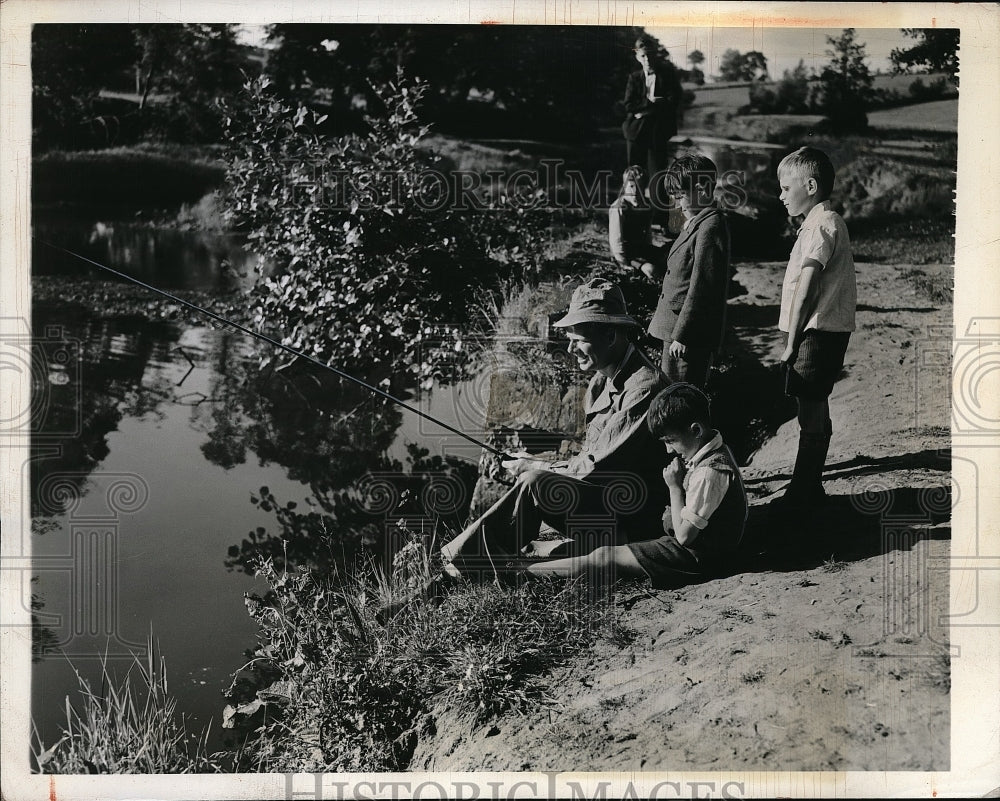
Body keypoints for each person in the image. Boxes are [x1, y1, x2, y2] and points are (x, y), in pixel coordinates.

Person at [438, 278, 670, 582]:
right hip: (608, 502)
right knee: (536, 483)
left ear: (611, 335)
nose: (571, 348)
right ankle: (464, 567)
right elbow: (593, 459)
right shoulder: (602, 379)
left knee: (535, 482)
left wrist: (535, 465)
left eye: (577, 338)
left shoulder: (644, 389)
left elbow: (594, 469)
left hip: (634, 522)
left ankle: (456, 573)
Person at [523, 383, 748, 589]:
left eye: (670, 441)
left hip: (699, 557)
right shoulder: (716, 449)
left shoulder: (709, 473)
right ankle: (538, 550)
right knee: (620, 537)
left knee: (605, 556)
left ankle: (522, 574)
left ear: (696, 430)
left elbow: (684, 537)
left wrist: (674, 487)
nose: (669, 450)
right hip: (698, 543)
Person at [775, 146, 857, 508]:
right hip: (820, 330)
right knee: (814, 406)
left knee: (809, 407)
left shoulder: (822, 225)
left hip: (815, 332)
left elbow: (807, 287)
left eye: (785, 188)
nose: (780, 196)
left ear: (809, 186)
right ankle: (811, 486)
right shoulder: (817, 224)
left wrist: (791, 342)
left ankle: (802, 493)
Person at [647, 154, 732, 388]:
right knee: (672, 397)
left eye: (681, 196)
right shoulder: (697, 223)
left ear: (703, 189)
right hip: (676, 332)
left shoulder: (710, 227)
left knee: (680, 400)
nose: (677, 204)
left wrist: (684, 335)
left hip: (686, 339)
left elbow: (703, 287)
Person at [621, 36, 683, 209]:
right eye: (643, 56)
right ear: (637, 57)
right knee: (634, 175)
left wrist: (646, 110)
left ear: (655, 55)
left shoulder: (667, 75)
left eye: (649, 56)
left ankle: (661, 219)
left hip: (658, 132)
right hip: (636, 133)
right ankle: (634, 213)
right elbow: (628, 105)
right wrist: (651, 104)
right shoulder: (634, 78)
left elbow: (674, 100)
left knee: (658, 176)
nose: (647, 60)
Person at [608, 166, 656, 278]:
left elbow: (648, 233)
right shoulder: (619, 207)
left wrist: (650, 252)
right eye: (632, 186)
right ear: (625, 187)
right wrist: (624, 264)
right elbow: (616, 240)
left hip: (641, 250)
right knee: (651, 269)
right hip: (627, 255)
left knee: (669, 258)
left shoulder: (646, 205)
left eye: (640, 187)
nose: (635, 191)